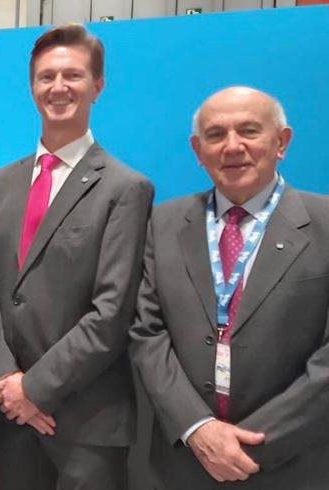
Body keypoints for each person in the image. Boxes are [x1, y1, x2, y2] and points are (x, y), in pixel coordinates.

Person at [130, 86, 329, 488]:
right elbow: (147, 332)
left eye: (249, 131)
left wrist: (253, 444)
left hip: (294, 462)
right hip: (185, 461)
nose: (232, 146)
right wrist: (197, 427)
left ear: (281, 142)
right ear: (198, 150)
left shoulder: (324, 222)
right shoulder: (164, 223)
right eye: (216, 134)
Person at [0, 23, 154, 489]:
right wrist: (9, 380)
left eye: (73, 75)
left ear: (97, 85)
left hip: (87, 421)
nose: (58, 87)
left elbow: (111, 313)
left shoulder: (125, 188)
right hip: (11, 410)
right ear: (32, 87)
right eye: (46, 76)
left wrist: (34, 389)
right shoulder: (1, 183)